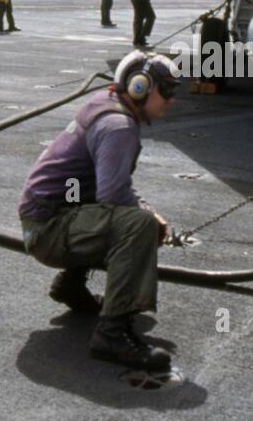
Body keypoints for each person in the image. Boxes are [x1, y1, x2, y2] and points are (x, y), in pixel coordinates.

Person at [18, 52, 181, 369]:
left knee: (116, 215)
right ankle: (111, 333)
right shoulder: (118, 125)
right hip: (49, 228)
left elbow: (102, 190)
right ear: (139, 87)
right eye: (168, 91)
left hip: (47, 218)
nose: (172, 100)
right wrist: (150, 215)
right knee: (138, 225)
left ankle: (71, 285)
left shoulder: (106, 101)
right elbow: (114, 195)